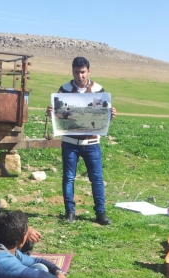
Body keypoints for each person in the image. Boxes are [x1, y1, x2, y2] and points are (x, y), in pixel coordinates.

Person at [46, 56, 117, 225]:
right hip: (70, 142)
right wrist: (52, 112)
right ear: (72, 72)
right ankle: (70, 212)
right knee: (68, 178)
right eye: (77, 72)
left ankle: (100, 213)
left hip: (92, 144)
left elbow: (101, 118)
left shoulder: (99, 90)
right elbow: (61, 115)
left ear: (89, 71)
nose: (80, 76)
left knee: (97, 178)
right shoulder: (63, 90)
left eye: (83, 72)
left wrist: (110, 116)